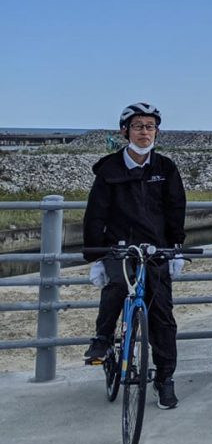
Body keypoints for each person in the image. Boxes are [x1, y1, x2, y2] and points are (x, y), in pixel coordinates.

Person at [82, 102, 187, 409]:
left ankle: (164, 379)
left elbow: (175, 209)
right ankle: (102, 340)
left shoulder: (165, 168)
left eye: (150, 126)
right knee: (115, 285)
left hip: (156, 249)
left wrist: (176, 248)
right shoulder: (109, 169)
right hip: (118, 246)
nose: (145, 132)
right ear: (125, 131)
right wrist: (95, 258)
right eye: (139, 126)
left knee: (163, 318)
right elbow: (95, 215)